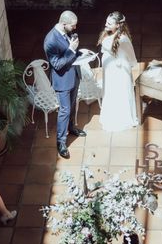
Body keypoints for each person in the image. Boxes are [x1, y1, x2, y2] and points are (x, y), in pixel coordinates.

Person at [44, 10, 87, 159]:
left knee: (73, 104)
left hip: (74, 75)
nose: (74, 28)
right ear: (64, 24)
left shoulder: (66, 32)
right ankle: (61, 142)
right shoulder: (50, 40)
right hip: (62, 80)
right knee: (65, 110)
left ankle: (71, 128)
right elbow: (57, 64)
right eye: (73, 26)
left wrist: (81, 54)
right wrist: (71, 49)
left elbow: (69, 53)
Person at [97, 11, 139, 132]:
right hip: (109, 70)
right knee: (110, 91)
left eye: (109, 23)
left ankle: (121, 118)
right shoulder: (107, 34)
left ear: (118, 25)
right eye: (106, 22)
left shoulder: (124, 39)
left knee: (119, 92)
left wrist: (130, 65)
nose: (106, 24)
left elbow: (131, 56)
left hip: (119, 70)